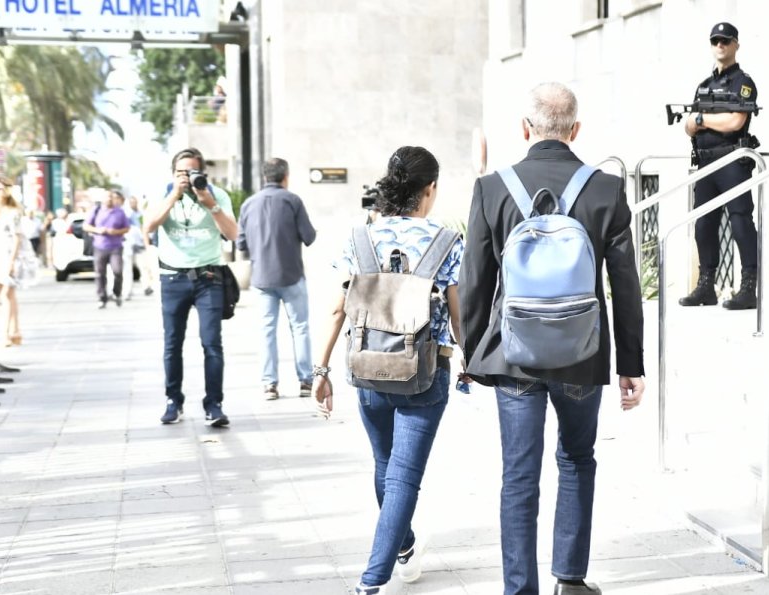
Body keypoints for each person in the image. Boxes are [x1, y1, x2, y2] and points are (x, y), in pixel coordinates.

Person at [460, 82, 646, 595]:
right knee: (577, 459)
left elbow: (475, 281)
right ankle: (570, 579)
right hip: (582, 355)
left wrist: (473, 354)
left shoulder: (492, 188)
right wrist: (631, 363)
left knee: (518, 476)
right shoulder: (606, 188)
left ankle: (520, 588)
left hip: (513, 356)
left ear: (525, 129)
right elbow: (625, 285)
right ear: (575, 131)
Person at [313, 146, 464, 595]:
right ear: (430, 189)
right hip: (423, 372)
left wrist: (319, 371)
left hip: (368, 368)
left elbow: (337, 308)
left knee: (385, 466)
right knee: (402, 476)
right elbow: (460, 316)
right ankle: (372, 581)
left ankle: (405, 546)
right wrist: (471, 362)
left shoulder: (360, 239)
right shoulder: (446, 241)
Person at [143, 148, 238, 427]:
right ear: (173, 174)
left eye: (191, 172)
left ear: (202, 172)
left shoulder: (215, 194)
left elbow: (233, 234)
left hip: (208, 278)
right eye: (180, 173)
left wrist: (210, 204)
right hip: (172, 278)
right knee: (172, 344)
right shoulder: (164, 193)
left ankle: (214, 405)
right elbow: (149, 226)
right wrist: (174, 194)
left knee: (212, 343)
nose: (186, 177)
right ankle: (173, 401)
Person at [678, 21, 761, 310]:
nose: (720, 45)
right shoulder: (704, 85)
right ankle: (706, 286)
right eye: (716, 41)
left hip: (732, 160)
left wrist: (702, 120)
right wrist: (699, 122)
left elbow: (735, 122)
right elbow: (687, 126)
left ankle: (749, 286)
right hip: (706, 163)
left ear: (736, 44)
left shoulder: (743, 83)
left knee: (740, 221)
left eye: (726, 40)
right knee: (704, 225)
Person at [236, 157, 318, 400]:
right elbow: (309, 236)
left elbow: (241, 244)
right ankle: (305, 381)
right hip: (292, 275)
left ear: (264, 177)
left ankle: (269, 385)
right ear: (286, 177)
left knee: (266, 331)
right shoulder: (293, 201)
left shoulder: (248, 205)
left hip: (261, 278)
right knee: (300, 328)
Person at [0, 186, 35, 346]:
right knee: (10, 296)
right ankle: (16, 332)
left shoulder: (13, 213)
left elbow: (18, 238)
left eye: (3, 189)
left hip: (10, 257)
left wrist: (12, 261)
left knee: (5, 295)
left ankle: (6, 334)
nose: (0, 192)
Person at [83, 189, 131, 309]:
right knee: (100, 274)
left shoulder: (119, 212)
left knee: (118, 271)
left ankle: (117, 293)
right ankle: (102, 297)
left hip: (116, 247)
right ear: (103, 199)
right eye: (107, 197)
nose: (109, 199)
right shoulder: (96, 210)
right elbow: (86, 226)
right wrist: (97, 230)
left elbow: (127, 228)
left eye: (111, 197)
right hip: (100, 246)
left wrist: (115, 232)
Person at [121, 193, 148, 300]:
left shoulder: (140, 214)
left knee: (143, 267)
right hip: (128, 244)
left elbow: (143, 226)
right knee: (127, 269)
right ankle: (127, 291)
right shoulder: (126, 214)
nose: (133, 204)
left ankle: (146, 287)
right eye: (131, 202)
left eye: (134, 202)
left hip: (139, 244)